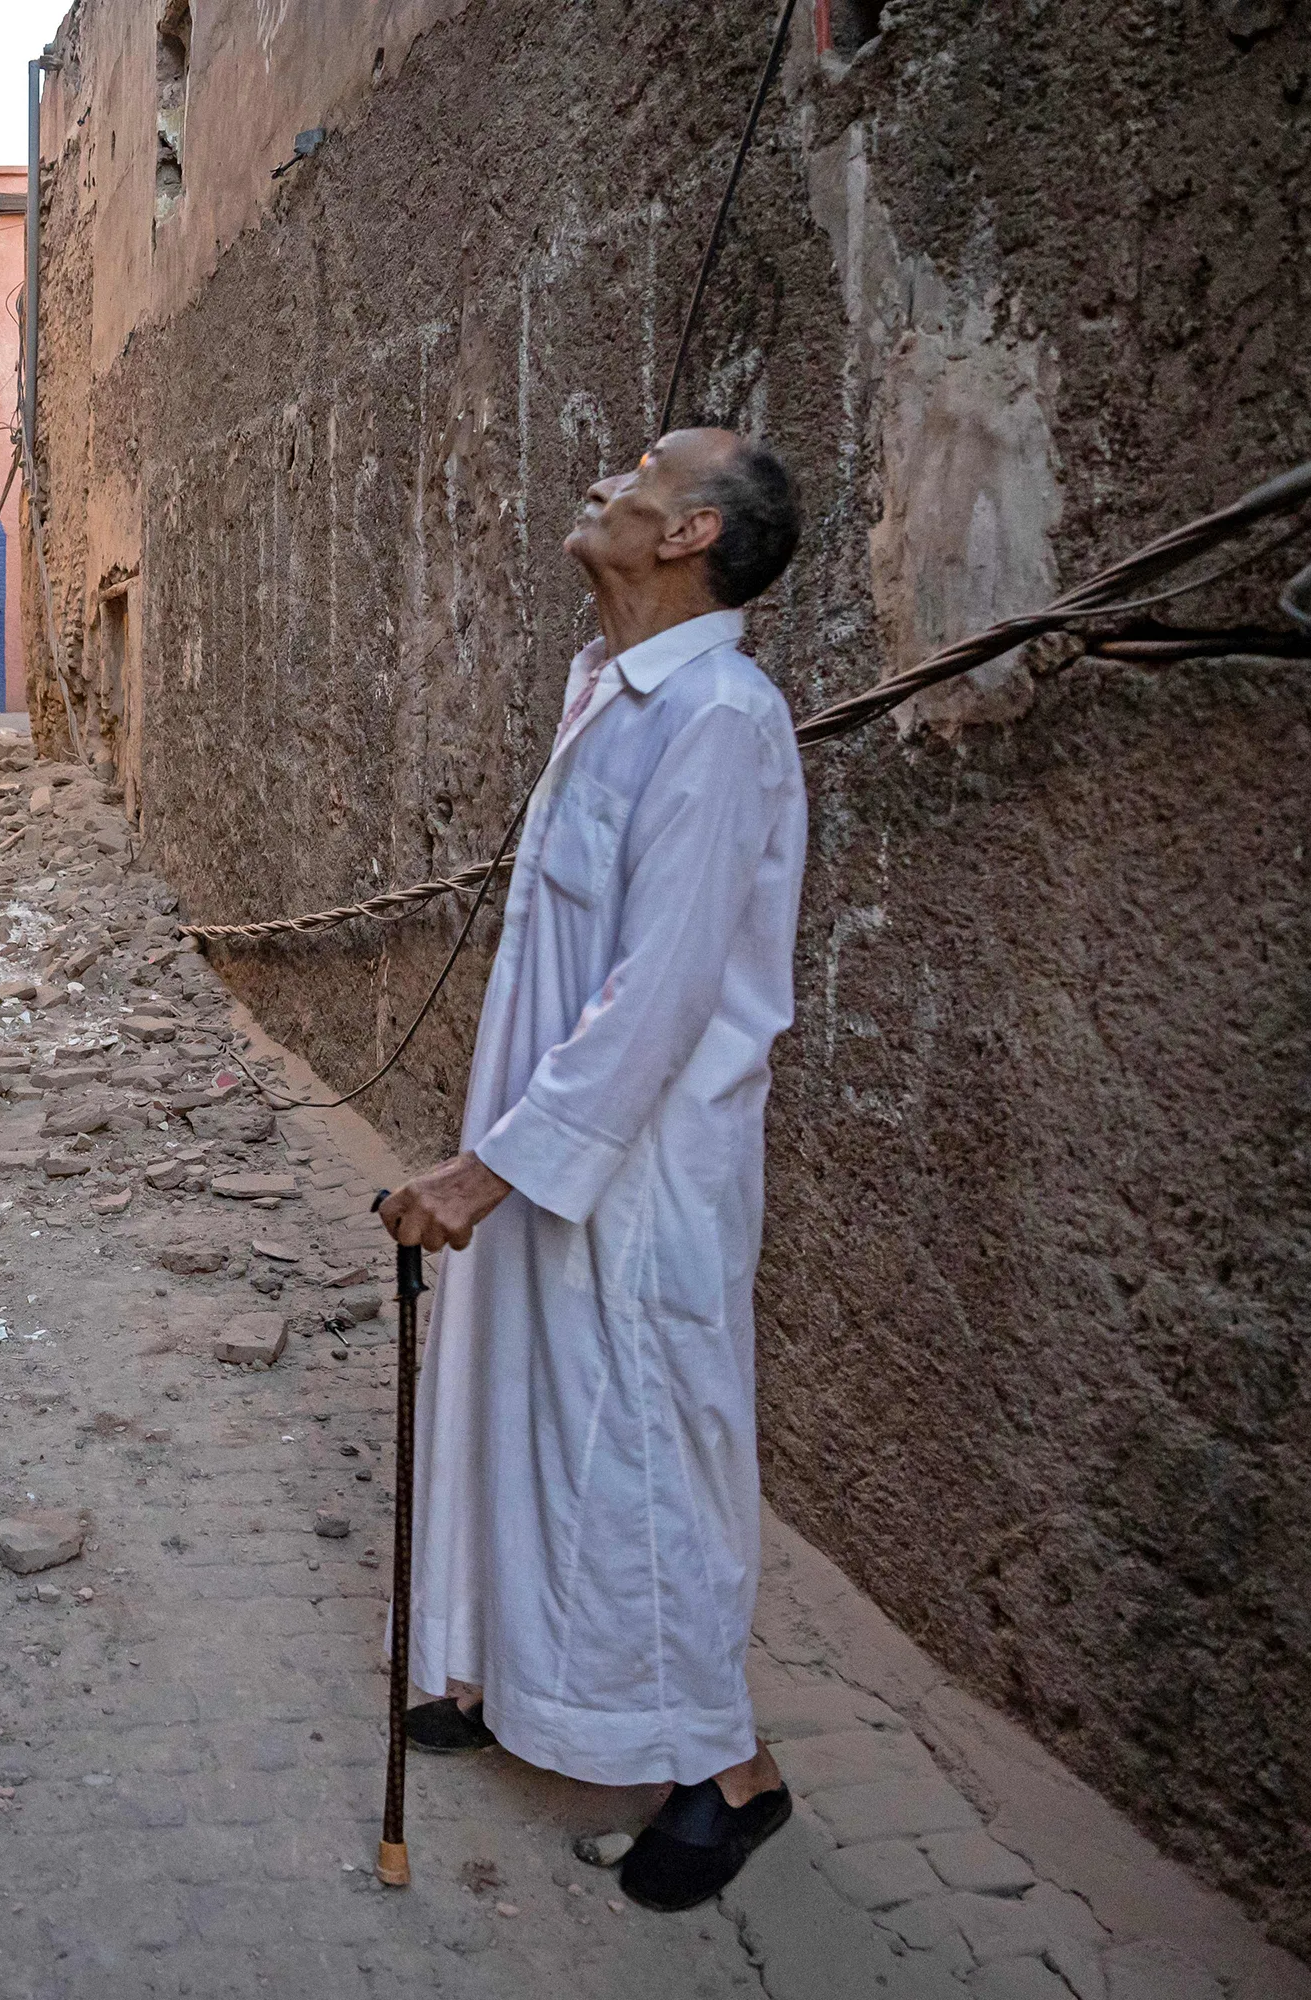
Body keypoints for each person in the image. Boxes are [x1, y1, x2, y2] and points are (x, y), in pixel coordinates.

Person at [374, 428, 808, 1913]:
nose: (603, 482)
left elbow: (668, 986)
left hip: (646, 1170)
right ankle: (498, 1672)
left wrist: (490, 1173)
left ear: (690, 532)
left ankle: (728, 1772)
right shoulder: (611, 694)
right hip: (555, 1132)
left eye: (639, 471)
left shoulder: (721, 719)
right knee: (520, 1405)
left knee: (646, 1449)